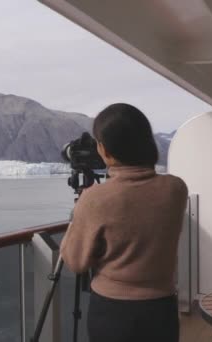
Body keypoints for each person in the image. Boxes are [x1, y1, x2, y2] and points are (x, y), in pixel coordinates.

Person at [60, 103, 188, 342]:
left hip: (113, 312)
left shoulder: (95, 199)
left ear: (105, 150)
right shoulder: (176, 189)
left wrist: (80, 212)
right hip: (162, 310)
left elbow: (76, 262)